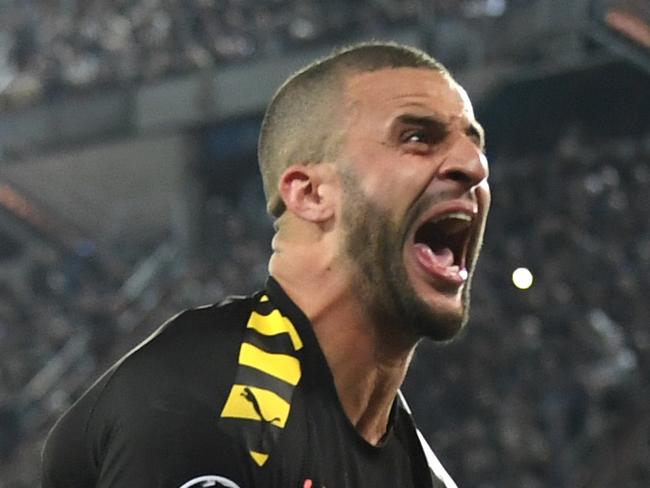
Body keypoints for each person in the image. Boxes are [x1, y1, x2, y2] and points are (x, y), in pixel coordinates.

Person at [42, 42, 490, 488]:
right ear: (311, 194)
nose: (474, 166)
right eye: (417, 138)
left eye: (474, 143)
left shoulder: (419, 472)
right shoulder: (209, 400)